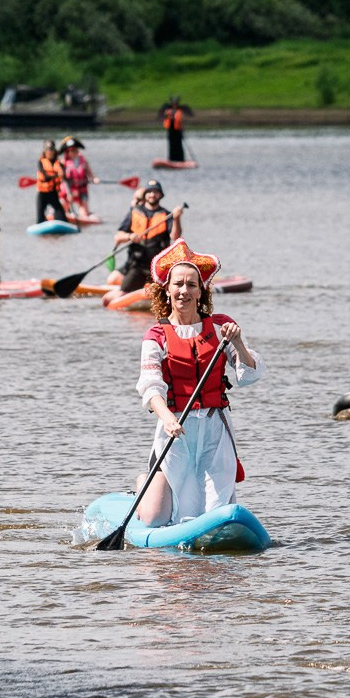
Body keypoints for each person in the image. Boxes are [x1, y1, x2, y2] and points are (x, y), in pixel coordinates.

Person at [134, 239, 262, 525]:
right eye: (178, 284)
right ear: (166, 290)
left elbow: (250, 375)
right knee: (155, 518)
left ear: (202, 290)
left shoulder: (220, 327)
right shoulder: (155, 335)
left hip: (216, 427)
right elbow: (150, 386)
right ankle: (146, 480)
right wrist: (167, 418)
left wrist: (239, 343)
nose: (184, 291)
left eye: (192, 285)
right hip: (176, 428)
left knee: (214, 509)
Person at [104, 179, 183, 305]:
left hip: (158, 268)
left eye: (156, 192)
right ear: (145, 194)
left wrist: (177, 218)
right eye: (149, 192)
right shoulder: (135, 212)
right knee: (120, 291)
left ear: (161, 195)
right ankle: (118, 294)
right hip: (138, 265)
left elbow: (176, 236)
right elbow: (118, 236)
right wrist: (130, 237)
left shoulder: (167, 215)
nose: (152, 194)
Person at [60, 136, 98, 220]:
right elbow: (60, 175)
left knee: (84, 211)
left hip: (82, 189)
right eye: (69, 151)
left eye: (74, 150)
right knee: (64, 204)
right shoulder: (63, 162)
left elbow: (89, 172)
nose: (72, 152)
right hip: (69, 190)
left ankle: (85, 215)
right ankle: (66, 213)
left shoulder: (83, 160)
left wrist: (94, 178)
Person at [35, 139, 68, 223]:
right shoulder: (41, 162)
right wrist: (56, 175)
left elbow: (64, 177)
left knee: (62, 218)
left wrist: (62, 173)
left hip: (54, 194)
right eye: (48, 150)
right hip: (42, 194)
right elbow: (45, 176)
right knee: (40, 219)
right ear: (45, 151)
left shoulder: (59, 163)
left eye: (52, 149)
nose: (50, 152)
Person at [158, 96, 191, 163]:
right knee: (172, 146)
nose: (174, 105)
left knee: (179, 146)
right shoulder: (168, 111)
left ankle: (180, 159)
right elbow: (165, 117)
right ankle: (172, 159)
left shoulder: (179, 111)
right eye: (173, 103)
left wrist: (182, 129)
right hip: (171, 131)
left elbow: (181, 121)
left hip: (178, 131)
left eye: (175, 103)